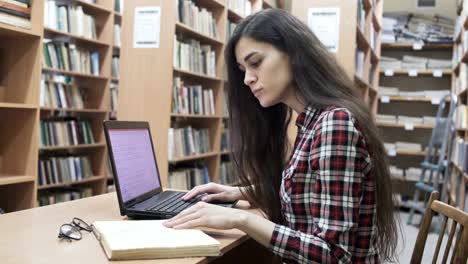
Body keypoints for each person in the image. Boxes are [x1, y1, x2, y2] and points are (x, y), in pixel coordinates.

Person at [163, 8, 399, 263]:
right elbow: (310, 189)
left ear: (294, 54)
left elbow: (333, 254)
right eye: (243, 69)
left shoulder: (334, 124)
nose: (247, 79)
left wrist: (240, 219)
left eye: (255, 63)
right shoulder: (311, 122)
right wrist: (241, 192)